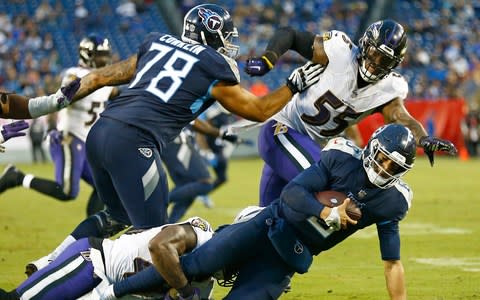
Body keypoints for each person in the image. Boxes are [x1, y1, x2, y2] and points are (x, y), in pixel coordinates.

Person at [21, 3, 322, 276]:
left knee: (115, 216)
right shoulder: (212, 68)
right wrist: (293, 84)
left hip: (100, 133)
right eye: (226, 35)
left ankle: (51, 261)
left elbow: (97, 77)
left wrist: (44, 104)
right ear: (211, 34)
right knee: (153, 240)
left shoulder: (156, 44)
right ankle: (106, 289)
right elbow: (259, 110)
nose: (230, 43)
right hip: (134, 143)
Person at [100, 123, 416, 300]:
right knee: (194, 265)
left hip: (289, 256)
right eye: (383, 157)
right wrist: (325, 213)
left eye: (394, 165)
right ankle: (108, 294)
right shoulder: (340, 158)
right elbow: (293, 192)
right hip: (266, 224)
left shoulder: (392, 202)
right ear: (371, 145)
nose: (383, 166)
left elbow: (392, 262)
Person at [243, 20, 458, 206]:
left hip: (306, 148)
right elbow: (289, 34)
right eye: (374, 53)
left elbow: (403, 119)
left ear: (394, 65)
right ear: (365, 45)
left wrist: (424, 139)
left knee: (268, 222)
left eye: (384, 60)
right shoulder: (339, 50)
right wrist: (267, 60)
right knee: (329, 189)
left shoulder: (389, 88)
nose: (375, 64)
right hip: (282, 130)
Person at [0, 34, 116, 217]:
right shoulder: (75, 74)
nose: (105, 60)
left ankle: (92, 234)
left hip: (88, 143)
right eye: (101, 56)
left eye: (105, 55)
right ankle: (17, 177)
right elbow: (62, 95)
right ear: (88, 55)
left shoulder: (106, 79)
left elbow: (119, 93)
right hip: (69, 138)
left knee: (106, 186)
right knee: (67, 191)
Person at [0, 216, 214, 300]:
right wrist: (186, 291)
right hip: (92, 263)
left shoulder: (208, 284)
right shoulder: (201, 234)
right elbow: (159, 246)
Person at [165, 118, 238, 223]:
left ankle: (167, 225)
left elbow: (197, 126)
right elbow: (201, 126)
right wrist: (224, 136)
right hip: (177, 145)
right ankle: (157, 201)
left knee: (189, 190)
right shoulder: (184, 107)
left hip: (176, 145)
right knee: (205, 183)